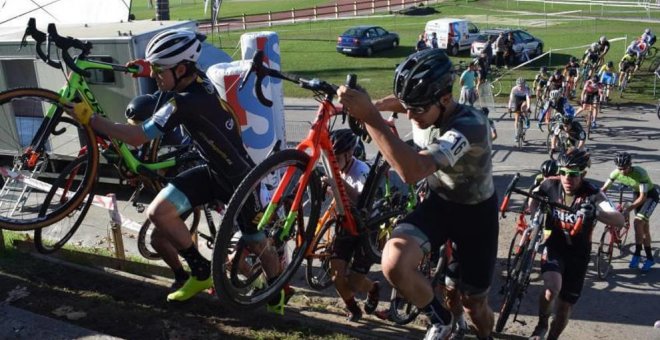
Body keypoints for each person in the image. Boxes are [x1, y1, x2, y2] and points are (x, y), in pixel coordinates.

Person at [64, 29, 282, 304]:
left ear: (180, 69)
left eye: (159, 70)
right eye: (154, 70)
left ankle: (277, 291)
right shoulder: (195, 78)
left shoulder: (184, 103)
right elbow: (176, 74)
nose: (154, 77)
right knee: (159, 212)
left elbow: (136, 136)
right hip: (211, 170)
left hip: (240, 179)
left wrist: (91, 119)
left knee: (256, 241)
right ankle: (200, 271)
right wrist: (147, 68)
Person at [337, 49, 498, 340]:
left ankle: (485, 335)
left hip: (476, 216)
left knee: (474, 303)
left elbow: (413, 170)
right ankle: (442, 320)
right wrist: (369, 105)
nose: (409, 115)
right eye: (407, 107)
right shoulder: (425, 105)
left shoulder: (469, 127)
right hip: (440, 203)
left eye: (417, 110)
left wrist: (371, 116)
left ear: (446, 99)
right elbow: (401, 103)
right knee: (394, 262)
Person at [527, 149, 625, 340]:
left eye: (573, 175)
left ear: (583, 174)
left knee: (564, 308)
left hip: (578, 255)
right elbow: (534, 198)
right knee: (550, 290)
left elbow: (620, 220)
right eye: (563, 173)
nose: (566, 179)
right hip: (555, 246)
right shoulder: (550, 184)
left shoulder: (593, 193)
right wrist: (533, 218)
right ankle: (541, 325)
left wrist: (598, 214)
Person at [324, 129, 381, 321]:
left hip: (367, 228)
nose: (333, 162)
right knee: (337, 276)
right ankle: (353, 309)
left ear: (349, 155)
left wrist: (337, 183)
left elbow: (361, 200)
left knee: (354, 282)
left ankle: (373, 288)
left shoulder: (361, 170)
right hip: (346, 224)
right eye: (330, 157)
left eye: (336, 157)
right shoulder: (335, 168)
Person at [601, 152, 658, 273]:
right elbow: (602, 190)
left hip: (649, 197)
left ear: (630, 165)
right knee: (644, 229)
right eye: (619, 168)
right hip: (636, 194)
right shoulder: (616, 172)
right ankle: (650, 258)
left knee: (638, 223)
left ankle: (637, 254)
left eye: (624, 168)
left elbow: (643, 197)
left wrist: (627, 210)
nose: (621, 171)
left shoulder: (640, 172)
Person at [508, 77, 531, 143]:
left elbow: (528, 98)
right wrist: (509, 107)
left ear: (524, 85)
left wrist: (528, 107)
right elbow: (511, 99)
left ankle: (527, 118)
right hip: (517, 99)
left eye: (522, 86)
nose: (520, 87)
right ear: (517, 85)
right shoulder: (514, 89)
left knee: (523, 107)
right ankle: (516, 134)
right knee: (516, 118)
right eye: (519, 86)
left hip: (524, 99)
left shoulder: (526, 89)